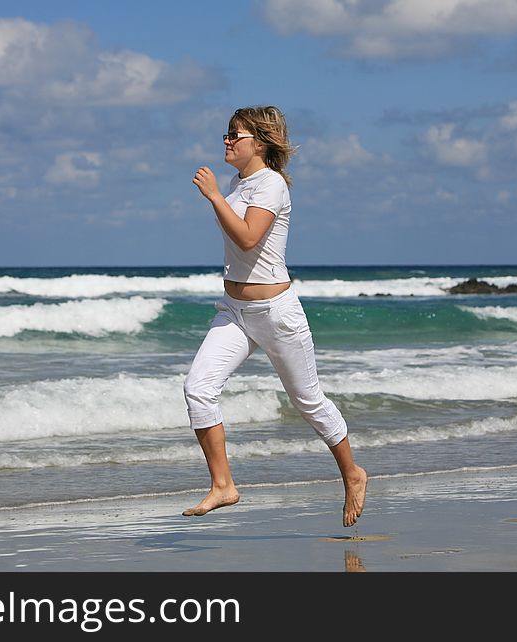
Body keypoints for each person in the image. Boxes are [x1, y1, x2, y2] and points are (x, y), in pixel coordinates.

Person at [184, 105, 368, 527]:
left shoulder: (270, 185)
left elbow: (248, 239)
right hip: (235, 310)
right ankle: (223, 485)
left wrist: (213, 196)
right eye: (227, 133)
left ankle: (352, 473)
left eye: (237, 135)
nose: (227, 140)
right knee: (198, 387)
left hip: (276, 313)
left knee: (308, 401)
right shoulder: (239, 182)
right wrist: (221, 193)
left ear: (260, 144)